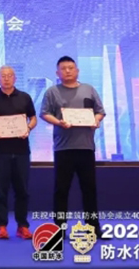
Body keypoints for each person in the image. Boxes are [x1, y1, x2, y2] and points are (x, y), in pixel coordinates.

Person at [41, 56, 106, 238]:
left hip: (86, 147)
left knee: (89, 189)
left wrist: (96, 121)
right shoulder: (52, 92)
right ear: (57, 73)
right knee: (61, 190)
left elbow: (100, 112)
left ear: (77, 70)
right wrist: (59, 122)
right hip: (63, 148)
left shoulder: (89, 89)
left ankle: (93, 227)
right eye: (63, 68)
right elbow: (44, 113)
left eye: (71, 67)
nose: (67, 71)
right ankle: (59, 229)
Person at [0, 66, 37, 240]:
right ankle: (2, 226)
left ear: (15, 78)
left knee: (22, 190)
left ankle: (23, 226)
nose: (6, 78)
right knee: (0, 190)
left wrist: (28, 128)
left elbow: (33, 118)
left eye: (9, 76)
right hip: (1, 151)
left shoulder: (25, 97)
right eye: (3, 76)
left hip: (22, 151)